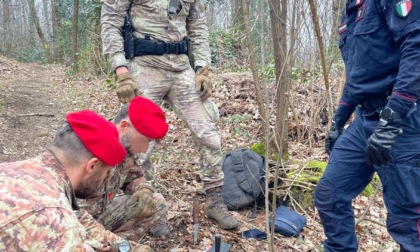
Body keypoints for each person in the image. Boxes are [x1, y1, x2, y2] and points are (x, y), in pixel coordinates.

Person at [100, 0, 238, 229]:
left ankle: (214, 200)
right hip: (145, 65)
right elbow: (110, 21)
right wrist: (121, 70)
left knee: (208, 134)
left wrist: (202, 68)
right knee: (137, 141)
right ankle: (144, 206)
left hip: (181, 67)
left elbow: (198, 25)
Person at [315, 1, 420, 251]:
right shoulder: (349, 13)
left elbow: (416, 48)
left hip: (404, 118)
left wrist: (392, 118)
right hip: (365, 119)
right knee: (329, 194)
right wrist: (339, 120)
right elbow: (358, 76)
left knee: (408, 219)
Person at [0, 110, 144, 251]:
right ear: (92, 166)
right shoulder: (63, 228)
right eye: (106, 172)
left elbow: (81, 218)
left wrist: (125, 247)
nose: (105, 178)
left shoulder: (9, 170)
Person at [77, 96, 171, 244]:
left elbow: (133, 176)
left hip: (104, 213)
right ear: (125, 126)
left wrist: (142, 189)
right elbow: (69, 212)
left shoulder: (126, 149)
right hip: (76, 222)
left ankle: (114, 244)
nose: (145, 149)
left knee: (156, 202)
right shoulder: (89, 147)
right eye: (145, 140)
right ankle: (113, 245)